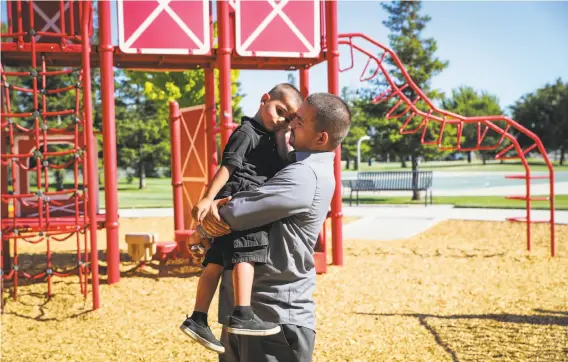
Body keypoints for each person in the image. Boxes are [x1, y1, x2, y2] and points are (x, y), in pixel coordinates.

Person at [201, 93, 352, 362]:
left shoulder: (305, 175)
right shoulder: (293, 164)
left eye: (300, 122)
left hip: (275, 318)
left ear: (321, 138)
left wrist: (205, 218)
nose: (290, 125)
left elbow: (235, 213)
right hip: (251, 313)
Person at [179, 83, 303, 354]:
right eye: (279, 111)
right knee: (246, 254)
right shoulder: (247, 132)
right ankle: (242, 313)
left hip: (234, 204)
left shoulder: (269, 137)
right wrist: (207, 198)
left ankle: (198, 318)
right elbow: (227, 166)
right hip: (240, 202)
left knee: (214, 263)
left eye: (288, 119)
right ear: (264, 100)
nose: (281, 120)